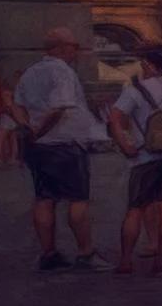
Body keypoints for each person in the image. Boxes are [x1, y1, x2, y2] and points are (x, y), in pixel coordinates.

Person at [11, 26, 109, 271]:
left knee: (44, 199)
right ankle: (86, 253)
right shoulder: (62, 71)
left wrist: (27, 128)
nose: (76, 51)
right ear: (62, 47)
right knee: (78, 200)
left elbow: (17, 105)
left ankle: (48, 253)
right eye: (74, 46)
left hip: (39, 148)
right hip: (65, 144)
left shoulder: (31, 72)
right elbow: (58, 108)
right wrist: (39, 130)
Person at [108, 45, 162, 277]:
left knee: (135, 209)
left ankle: (126, 261)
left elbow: (115, 119)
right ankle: (161, 261)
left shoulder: (134, 91)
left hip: (144, 157)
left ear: (150, 65)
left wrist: (124, 144)